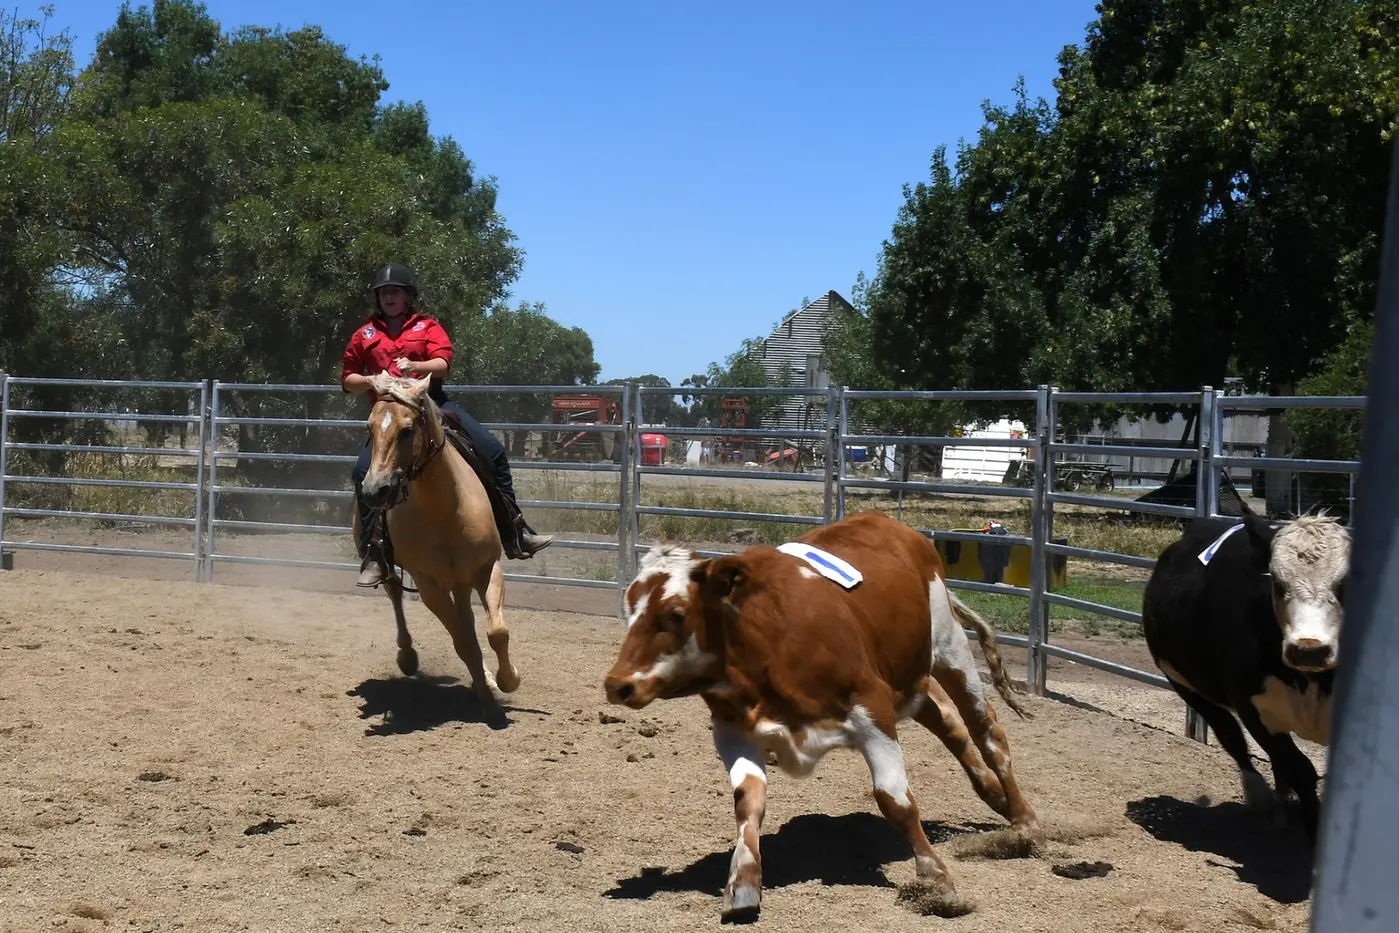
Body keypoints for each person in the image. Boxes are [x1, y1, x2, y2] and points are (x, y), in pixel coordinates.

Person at [341, 262, 554, 588]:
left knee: (493, 450)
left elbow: (443, 363)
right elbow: (348, 379)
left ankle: (515, 530)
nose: (389, 297)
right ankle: (376, 554)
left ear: (407, 295)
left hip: (433, 404)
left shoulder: (427, 326)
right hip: (389, 417)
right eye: (384, 292)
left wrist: (415, 364)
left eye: (395, 291)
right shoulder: (365, 334)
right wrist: (372, 379)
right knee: (361, 472)